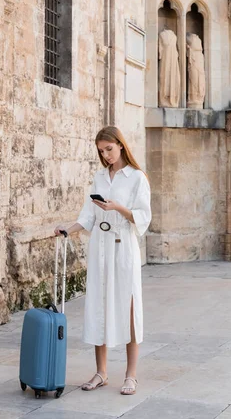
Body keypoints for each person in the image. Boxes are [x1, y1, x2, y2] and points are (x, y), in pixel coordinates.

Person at [54, 126, 151, 396]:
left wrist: (116, 206)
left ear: (120, 145)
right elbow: (88, 215)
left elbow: (143, 216)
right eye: (101, 151)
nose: (106, 155)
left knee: (129, 308)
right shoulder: (99, 177)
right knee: (99, 304)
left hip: (124, 247)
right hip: (100, 245)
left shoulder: (137, 177)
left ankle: (131, 375)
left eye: (109, 149)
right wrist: (68, 230)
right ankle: (101, 372)